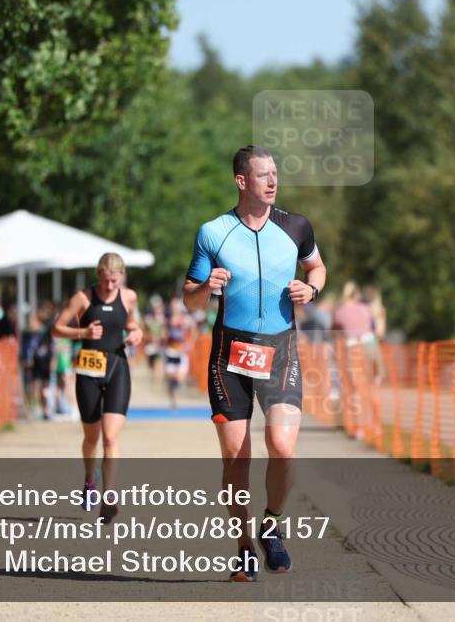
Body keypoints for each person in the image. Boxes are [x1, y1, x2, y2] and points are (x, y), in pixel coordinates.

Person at [183, 145, 326, 582]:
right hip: (230, 353)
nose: (273, 181)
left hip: (280, 350)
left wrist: (312, 289)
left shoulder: (296, 226)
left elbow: (317, 268)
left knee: (283, 448)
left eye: (276, 174)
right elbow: (189, 299)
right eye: (263, 174)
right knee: (236, 457)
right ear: (241, 181)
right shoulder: (214, 232)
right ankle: (244, 545)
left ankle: (271, 523)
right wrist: (206, 285)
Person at [52, 253, 144, 524]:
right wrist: (82, 334)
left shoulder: (129, 297)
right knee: (91, 439)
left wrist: (137, 332)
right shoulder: (82, 298)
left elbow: (131, 323)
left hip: (117, 368)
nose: (109, 287)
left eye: (114, 282)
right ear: (98, 276)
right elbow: (56, 328)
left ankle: (110, 497)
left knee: (111, 438)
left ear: (121, 277)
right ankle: (90, 480)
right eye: (105, 282)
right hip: (89, 371)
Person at [332, 282, 376, 440]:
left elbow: (335, 332)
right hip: (369, 346)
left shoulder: (340, 311)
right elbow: (373, 327)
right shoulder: (365, 309)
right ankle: (373, 424)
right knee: (368, 386)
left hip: (352, 349)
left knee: (354, 389)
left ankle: (360, 428)